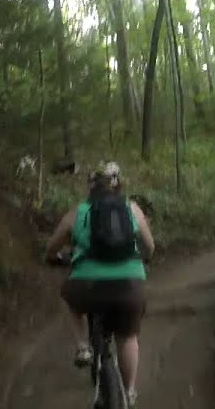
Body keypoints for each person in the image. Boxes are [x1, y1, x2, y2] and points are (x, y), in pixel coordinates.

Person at [45, 161, 155, 406]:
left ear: (91, 188)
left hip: (88, 285)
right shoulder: (132, 209)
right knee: (127, 337)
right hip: (130, 284)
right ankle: (129, 393)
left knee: (68, 298)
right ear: (118, 186)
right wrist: (143, 259)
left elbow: (51, 248)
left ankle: (83, 346)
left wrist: (54, 258)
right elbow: (150, 246)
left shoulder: (79, 212)